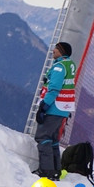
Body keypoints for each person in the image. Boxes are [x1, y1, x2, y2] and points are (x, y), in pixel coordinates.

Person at [34, 41, 76, 179]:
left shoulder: (59, 67)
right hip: (64, 108)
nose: (53, 51)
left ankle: (46, 171)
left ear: (62, 52)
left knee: (43, 137)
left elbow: (54, 88)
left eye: (56, 49)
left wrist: (44, 106)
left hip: (54, 107)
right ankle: (55, 171)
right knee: (53, 139)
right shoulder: (70, 65)